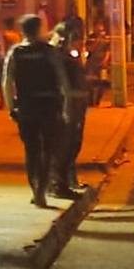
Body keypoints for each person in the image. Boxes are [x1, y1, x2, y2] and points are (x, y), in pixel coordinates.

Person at [3, 14, 72, 207]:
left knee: (31, 150)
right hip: (49, 105)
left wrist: (11, 107)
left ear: (22, 31)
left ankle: (35, 189)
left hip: (27, 106)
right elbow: (62, 80)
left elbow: (7, 82)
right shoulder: (49, 52)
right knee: (48, 150)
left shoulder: (16, 53)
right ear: (39, 29)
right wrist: (66, 107)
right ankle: (42, 189)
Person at [51, 22, 90, 193]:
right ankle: (61, 181)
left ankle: (69, 179)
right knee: (67, 145)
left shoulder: (71, 58)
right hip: (69, 106)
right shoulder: (59, 58)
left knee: (74, 143)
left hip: (78, 105)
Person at [84, 19, 110, 106]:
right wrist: (97, 41)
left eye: (102, 30)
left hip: (101, 63)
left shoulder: (106, 38)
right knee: (90, 82)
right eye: (98, 29)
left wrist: (105, 60)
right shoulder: (91, 37)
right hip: (92, 62)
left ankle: (97, 100)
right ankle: (90, 101)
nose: (100, 31)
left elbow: (108, 51)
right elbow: (89, 49)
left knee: (101, 83)